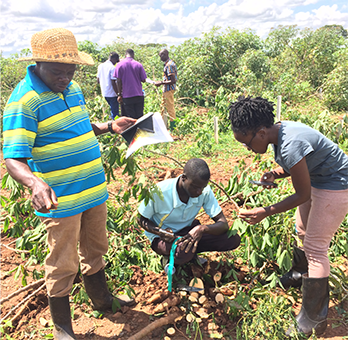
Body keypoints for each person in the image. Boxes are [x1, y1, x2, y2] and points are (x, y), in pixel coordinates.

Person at [2, 28, 136, 340]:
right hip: (60, 199)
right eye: (58, 72)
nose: (65, 77)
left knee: (96, 248)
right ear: (37, 65)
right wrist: (34, 183)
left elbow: (77, 126)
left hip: (92, 189)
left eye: (71, 70)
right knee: (63, 261)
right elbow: (13, 158)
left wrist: (107, 126)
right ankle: (63, 326)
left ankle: (103, 301)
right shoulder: (24, 101)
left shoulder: (72, 87)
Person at [229, 96, 348, 336]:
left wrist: (266, 211)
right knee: (301, 231)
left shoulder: (290, 142)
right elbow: (299, 164)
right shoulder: (279, 132)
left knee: (315, 247)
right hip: (319, 179)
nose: (248, 148)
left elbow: (302, 194)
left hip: (336, 183)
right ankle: (297, 274)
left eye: (247, 143)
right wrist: (275, 173)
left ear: (261, 132)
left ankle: (313, 319)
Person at [137, 158, 241, 268]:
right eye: (195, 187)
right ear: (184, 178)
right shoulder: (160, 192)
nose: (199, 192)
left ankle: (190, 252)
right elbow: (140, 218)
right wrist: (160, 232)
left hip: (188, 232)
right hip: (164, 238)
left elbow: (223, 224)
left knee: (232, 239)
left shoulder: (204, 191)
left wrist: (201, 229)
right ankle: (170, 259)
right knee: (182, 252)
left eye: (202, 187)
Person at [114, 49, 147, 119]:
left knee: (130, 118)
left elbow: (118, 81)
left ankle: (133, 130)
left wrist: (119, 94)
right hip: (138, 94)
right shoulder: (138, 65)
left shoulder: (119, 65)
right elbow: (143, 80)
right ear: (133, 55)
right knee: (139, 116)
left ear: (125, 55)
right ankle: (140, 130)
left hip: (127, 96)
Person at [155, 49, 177, 130]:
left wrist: (161, 82)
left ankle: (173, 128)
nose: (161, 57)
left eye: (162, 55)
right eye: (160, 56)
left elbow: (173, 80)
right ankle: (163, 127)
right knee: (163, 107)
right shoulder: (167, 64)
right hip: (166, 89)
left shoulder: (169, 65)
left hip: (169, 89)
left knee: (170, 108)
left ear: (166, 54)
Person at [97, 51, 120, 119]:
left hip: (104, 93)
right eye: (116, 61)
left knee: (112, 110)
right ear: (114, 59)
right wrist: (118, 94)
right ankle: (115, 126)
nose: (116, 63)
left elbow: (98, 80)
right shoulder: (112, 68)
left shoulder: (100, 66)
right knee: (115, 112)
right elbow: (113, 82)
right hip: (112, 93)